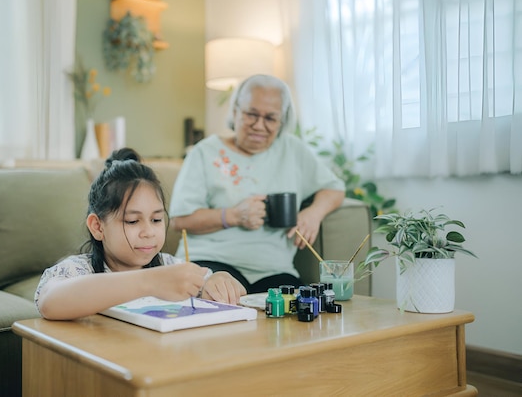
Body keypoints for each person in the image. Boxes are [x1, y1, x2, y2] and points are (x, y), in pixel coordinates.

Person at [169, 74, 345, 294]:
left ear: (282, 120)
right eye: (251, 114)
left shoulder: (292, 150)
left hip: (273, 270)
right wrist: (233, 215)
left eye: (270, 118)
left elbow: (334, 188)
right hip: (210, 261)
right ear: (235, 111)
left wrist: (313, 213)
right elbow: (179, 220)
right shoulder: (205, 152)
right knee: (221, 302)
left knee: (302, 312)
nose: (259, 125)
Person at [35, 148, 246, 320]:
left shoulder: (170, 266)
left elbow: (210, 283)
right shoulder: (77, 270)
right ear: (98, 227)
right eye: (133, 221)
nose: (148, 232)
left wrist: (220, 280)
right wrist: (149, 282)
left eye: (156, 220)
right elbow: (50, 303)